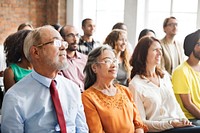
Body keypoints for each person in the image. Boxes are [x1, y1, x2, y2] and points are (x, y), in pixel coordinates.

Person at [1, 25, 88, 133]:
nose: (63, 47)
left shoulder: (72, 89)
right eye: (56, 43)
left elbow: (82, 129)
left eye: (63, 42)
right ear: (36, 52)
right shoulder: (16, 97)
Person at [129, 36, 200, 133]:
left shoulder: (164, 76)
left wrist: (184, 120)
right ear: (143, 53)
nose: (159, 53)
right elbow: (141, 122)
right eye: (155, 50)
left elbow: (175, 105)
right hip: (161, 129)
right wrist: (171, 123)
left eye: (160, 49)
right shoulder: (135, 84)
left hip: (177, 126)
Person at [82, 45, 148, 133]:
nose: (113, 65)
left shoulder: (125, 90)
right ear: (94, 67)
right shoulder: (88, 97)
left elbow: (138, 123)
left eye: (114, 60)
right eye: (107, 61)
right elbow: (97, 131)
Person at [172, 29, 200, 126]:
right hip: (190, 119)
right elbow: (188, 104)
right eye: (199, 44)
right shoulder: (181, 71)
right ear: (191, 47)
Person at [60, 25, 87, 92]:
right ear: (62, 38)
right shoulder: (58, 60)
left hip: (87, 97)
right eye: (70, 35)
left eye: (77, 35)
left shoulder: (85, 59)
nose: (75, 39)